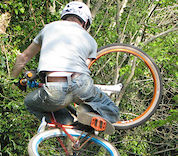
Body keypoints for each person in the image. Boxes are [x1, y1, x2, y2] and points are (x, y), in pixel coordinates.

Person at [10, 1, 119, 134]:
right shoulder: (90, 40)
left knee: (30, 102)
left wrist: (11, 79)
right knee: (112, 109)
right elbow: (83, 66)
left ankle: (66, 123)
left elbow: (24, 57)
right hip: (81, 84)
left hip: (55, 88)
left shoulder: (49, 28)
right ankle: (88, 112)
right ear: (85, 23)